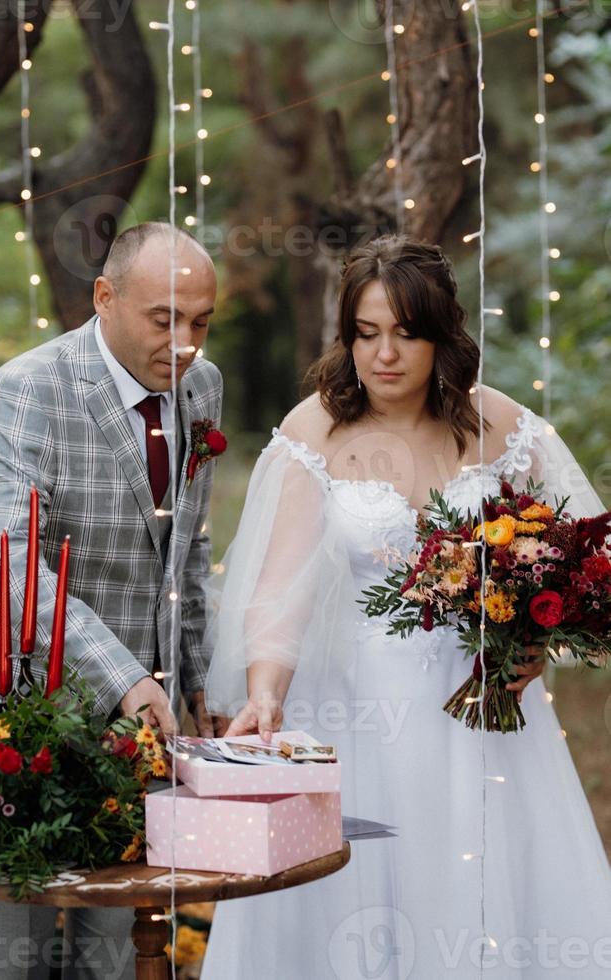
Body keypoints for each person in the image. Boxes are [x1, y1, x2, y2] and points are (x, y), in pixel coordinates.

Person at [201, 236, 611, 979]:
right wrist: (264, 695)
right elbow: (276, 592)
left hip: (485, 719)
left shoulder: (504, 428)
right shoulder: (313, 432)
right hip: (354, 713)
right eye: (365, 333)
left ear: (442, 337)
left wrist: (534, 646)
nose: (383, 354)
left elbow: (583, 568)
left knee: (487, 888)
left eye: (405, 333)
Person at [0, 223, 223, 978]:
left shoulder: (203, 387)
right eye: (164, 318)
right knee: (6, 957)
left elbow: (187, 548)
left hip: (138, 731)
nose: (185, 343)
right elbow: (10, 562)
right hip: (14, 713)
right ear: (105, 298)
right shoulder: (21, 393)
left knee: (114, 955)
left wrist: (193, 674)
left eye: (201, 321)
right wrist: (124, 676)